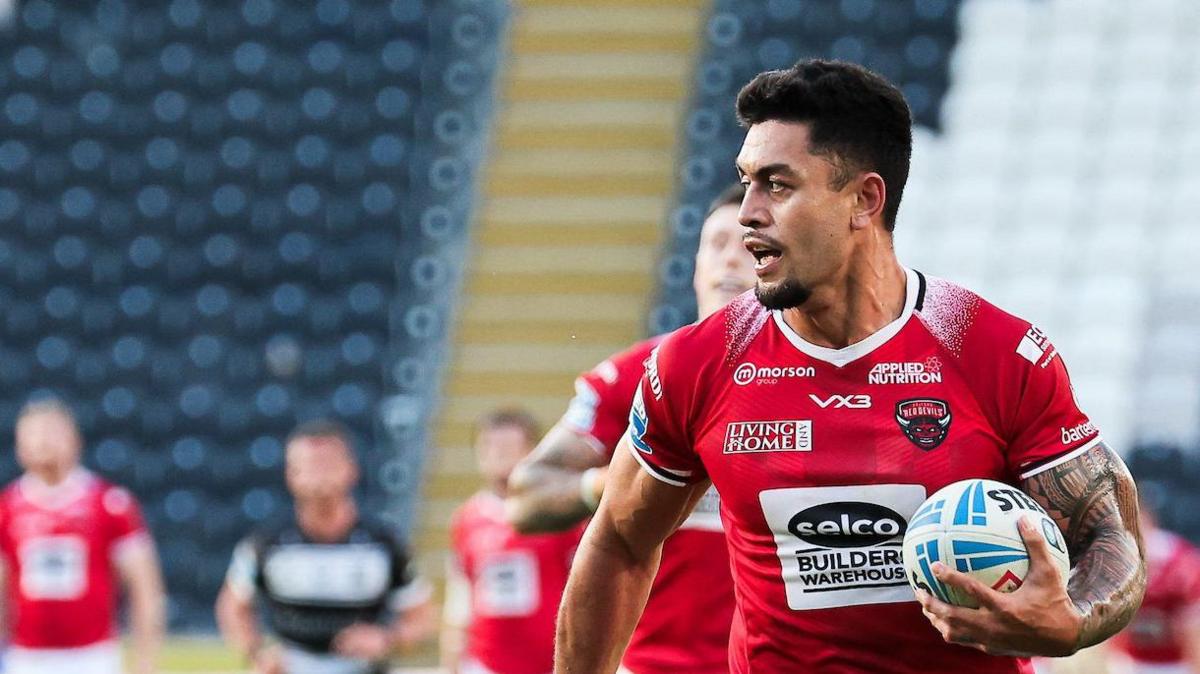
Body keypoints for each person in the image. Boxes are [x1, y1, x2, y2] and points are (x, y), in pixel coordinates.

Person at [556, 59, 1145, 673]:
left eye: (777, 185)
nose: (748, 213)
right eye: (747, 182)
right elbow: (619, 540)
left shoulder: (991, 350)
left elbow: (1110, 536)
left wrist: (1071, 619)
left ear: (865, 199)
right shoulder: (697, 362)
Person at [505, 183, 754, 673]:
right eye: (717, 244)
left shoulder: (823, 383)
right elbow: (525, 496)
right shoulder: (642, 375)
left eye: (747, 245)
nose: (730, 261)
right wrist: (618, 482)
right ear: (696, 265)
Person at [215, 419, 434, 674]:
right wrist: (257, 652)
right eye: (308, 466)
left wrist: (386, 638)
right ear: (290, 475)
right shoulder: (267, 542)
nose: (318, 475)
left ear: (351, 469)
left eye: (327, 464)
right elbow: (233, 606)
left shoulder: (383, 543)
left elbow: (421, 617)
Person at [0, 397, 164, 674]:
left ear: (74, 439)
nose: (42, 442)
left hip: (92, 657)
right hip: (25, 657)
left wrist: (145, 660)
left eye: (51, 432)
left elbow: (144, 585)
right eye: (33, 434)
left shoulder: (110, 504)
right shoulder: (8, 508)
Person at [441, 409, 584, 674]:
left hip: (550, 662)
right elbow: (460, 600)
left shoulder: (561, 511)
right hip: (485, 663)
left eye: (508, 446)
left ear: (533, 450)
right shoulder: (467, 518)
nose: (498, 454)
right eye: (490, 446)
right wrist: (451, 660)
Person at [1107, 496, 1200, 673]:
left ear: (1147, 519)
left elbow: (1193, 626)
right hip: (1130, 661)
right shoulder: (1115, 560)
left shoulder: (1179, 561)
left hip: (1173, 664)